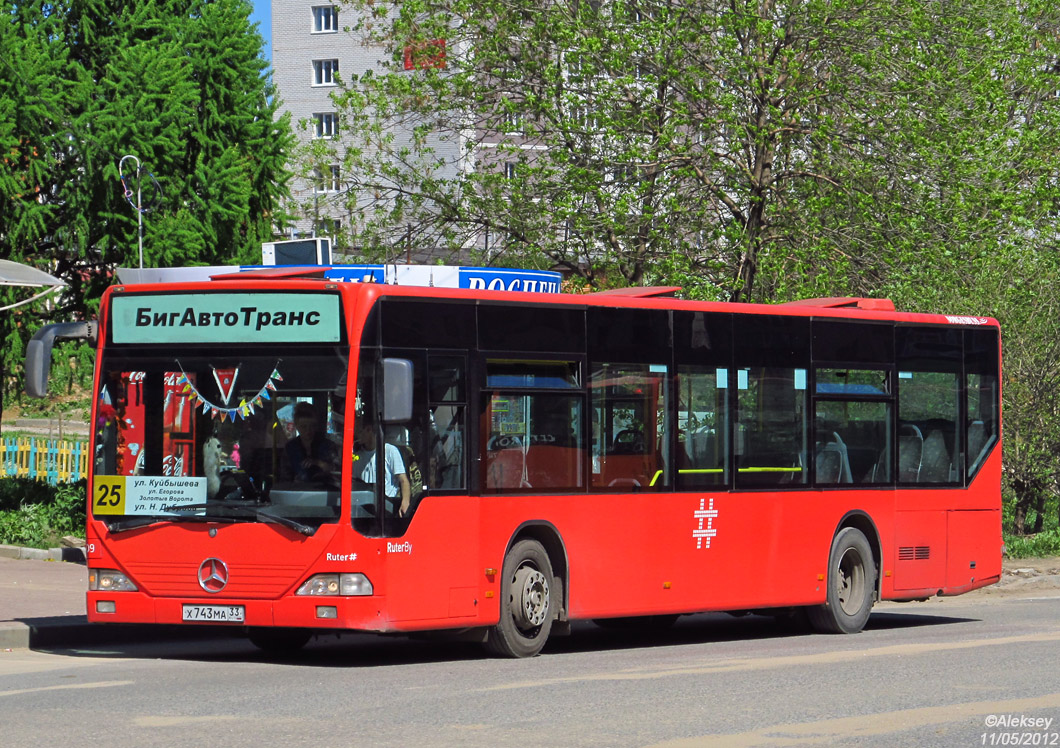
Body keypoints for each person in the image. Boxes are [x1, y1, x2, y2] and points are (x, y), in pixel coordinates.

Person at [354, 421, 412, 517]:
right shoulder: (357, 457)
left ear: (369, 430)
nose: (356, 436)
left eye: (360, 432)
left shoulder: (390, 451)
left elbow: (403, 480)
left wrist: (405, 502)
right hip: (364, 507)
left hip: (386, 506)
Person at [285, 402, 338, 484]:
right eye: (303, 426)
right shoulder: (290, 448)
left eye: (312, 426)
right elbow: (284, 478)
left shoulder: (328, 445)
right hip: (297, 491)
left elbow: (337, 471)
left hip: (325, 490)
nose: (308, 430)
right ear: (296, 426)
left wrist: (319, 463)